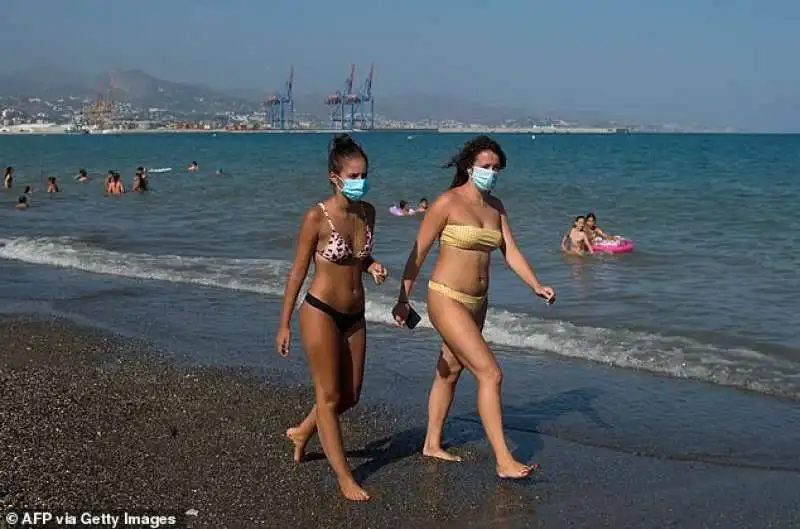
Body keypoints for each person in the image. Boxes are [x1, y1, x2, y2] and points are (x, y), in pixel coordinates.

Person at [391, 135, 555, 479]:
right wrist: (403, 298)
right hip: (445, 296)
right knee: (490, 373)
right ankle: (504, 460)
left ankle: (432, 443)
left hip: (478, 303)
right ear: (469, 167)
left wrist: (536, 285)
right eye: (486, 166)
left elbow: (510, 250)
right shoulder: (447, 203)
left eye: (496, 168)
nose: (492, 173)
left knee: (449, 371)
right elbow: (418, 253)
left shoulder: (496, 207)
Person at [275, 134, 388, 502]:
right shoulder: (316, 217)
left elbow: (358, 255)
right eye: (354, 175)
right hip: (320, 311)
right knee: (327, 396)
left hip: (356, 313)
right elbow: (297, 272)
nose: (361, 181)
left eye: (364, 174)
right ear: (334, 177)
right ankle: (344, 477)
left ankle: (303, 432)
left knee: (351, 395)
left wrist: (372, 266)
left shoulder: (367, 212)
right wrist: (284, 323)